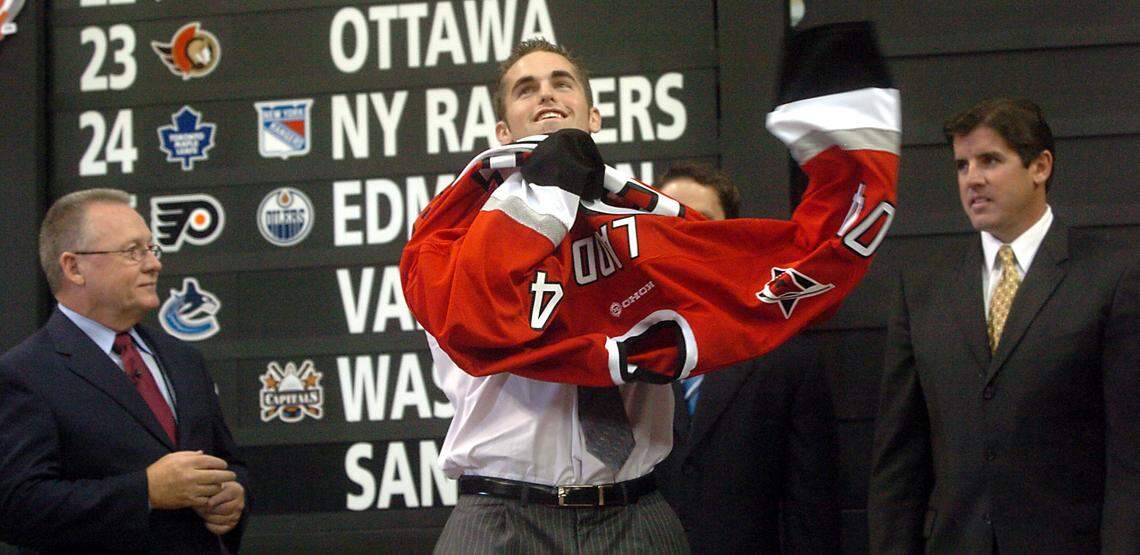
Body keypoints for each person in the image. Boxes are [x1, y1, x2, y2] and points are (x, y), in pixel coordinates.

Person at [402, 23, 899, 554]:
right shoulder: (450, 236)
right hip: (501, 516)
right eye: (526, 89)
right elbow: (481, 320)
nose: (546, 92)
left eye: (562, 82)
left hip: (634, 515)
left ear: (593, 117)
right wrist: (546, 191)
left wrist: (848, 162)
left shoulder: (656, 235)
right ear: (502, 131)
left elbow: (778, 274)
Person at [868, 98, 1139, 554]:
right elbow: (899, 461)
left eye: (990, 160)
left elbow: (1130, 456)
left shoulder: (1111, 277)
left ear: (1040, 166)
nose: (972, 179)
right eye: (961, 165)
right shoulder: (922, 289)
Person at [0, 189, 250, 553]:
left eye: (151, 249)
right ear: (73, 267)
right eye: (132, 252)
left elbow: (229, 463)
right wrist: (146, 491)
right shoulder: (26, 374)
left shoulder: (183, 360)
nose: (153, 264)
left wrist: (234, 495)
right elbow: (16, 507)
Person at [652, 162, 841, 554]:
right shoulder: (612, 349)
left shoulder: (785, 354)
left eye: (701, 221)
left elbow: (812, 508)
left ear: (731, 235)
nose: (684, 232)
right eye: (670, 218)